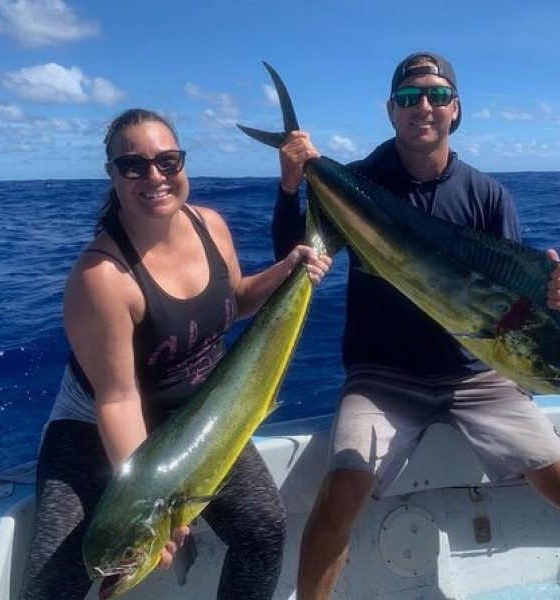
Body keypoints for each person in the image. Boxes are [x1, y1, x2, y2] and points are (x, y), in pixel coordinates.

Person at [272, 52, 560, 600]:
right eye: (408, 98)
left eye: (434, 95)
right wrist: (291, 187)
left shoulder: (488, 195)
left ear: (455, 109)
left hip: (478, 375)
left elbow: (518, 293)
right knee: (341, 493)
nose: (421, 107)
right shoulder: (354, 184)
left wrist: (558, 289)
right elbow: (293, 258)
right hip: (384, 378)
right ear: (390, 111)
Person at [19, 108, 331, 600]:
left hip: (196, 414)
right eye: (134, 166)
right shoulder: (100, 277)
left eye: (168, 161)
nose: (155, 177)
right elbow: (117, 401)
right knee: (50, 585)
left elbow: (239, 300)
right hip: (98, 425)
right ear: (112, 175)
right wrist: (150, 506)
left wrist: (289, 269)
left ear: (183, 164)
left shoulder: (210, 225)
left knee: (263, 528)